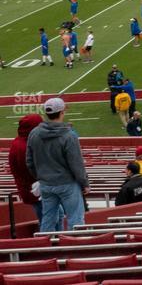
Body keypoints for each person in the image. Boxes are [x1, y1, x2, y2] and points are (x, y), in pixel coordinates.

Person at [26, 98, 88, 232]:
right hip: (67, 184)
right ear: (62, 112)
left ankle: (44, 249)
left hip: (46, 184)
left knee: (48, 219)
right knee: (76, 219)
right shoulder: (69, 136)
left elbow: (29, 161)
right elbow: (76, 163)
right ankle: (75, 249)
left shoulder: (34, 133)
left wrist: (41, 176)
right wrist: (84, 183)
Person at [8, 114, 43, 225]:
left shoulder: (20, 141)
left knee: (55, 215)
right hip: (34, 189)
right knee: (49, 217)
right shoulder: (23, 146)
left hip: (31, 188)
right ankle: (49, 240)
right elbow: (27, 169)